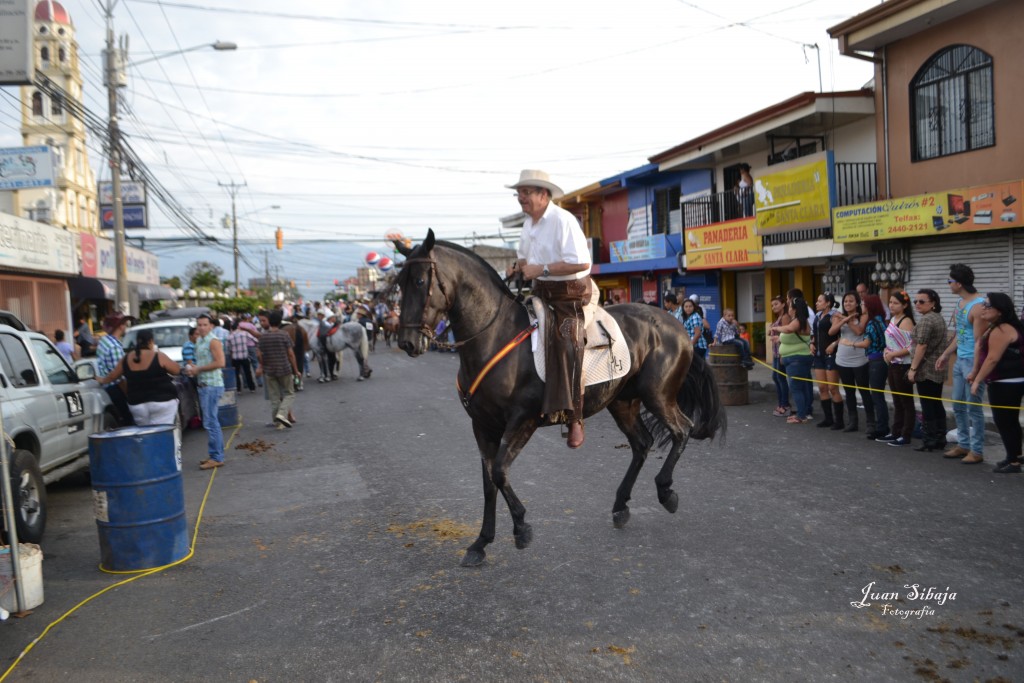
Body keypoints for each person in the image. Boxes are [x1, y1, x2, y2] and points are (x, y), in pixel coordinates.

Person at [504, 169, 592, 449]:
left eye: (526, 192)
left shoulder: (563, 220)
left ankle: (575, 417)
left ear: (543, 194)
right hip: (540, 291)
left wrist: (540, 268)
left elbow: (580, 263)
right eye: (519, 193)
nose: (521, 198)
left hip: (569, 294)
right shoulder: (528, 223)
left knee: (567, 341)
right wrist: (518, 266)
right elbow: (524, 257)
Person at [936, 264, 986, 464]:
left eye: (950, 281)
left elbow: (979, 341)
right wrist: (946, 354)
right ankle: (963, 444)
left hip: (973, 362)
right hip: (960, 360)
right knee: (957, 404)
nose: (948, 285)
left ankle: (977, 449)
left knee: (973, 407)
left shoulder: (979, 306)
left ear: (959, 283)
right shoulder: (960, 303)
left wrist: (975, 370)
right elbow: (960, 334)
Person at [968, 293, 1024, 473]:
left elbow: (992, 359)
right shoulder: (1001, 327)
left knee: (1005, 421)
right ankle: (1013, 455)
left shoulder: (1002, 329)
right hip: (1010, 380)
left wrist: (977, 380)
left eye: (987, 305)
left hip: (1006, 382)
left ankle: (1013, 460)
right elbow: (980, 347)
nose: (983, 308)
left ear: (999, 311)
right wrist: (975, 371)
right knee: (1010, 421)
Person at [99, 328, 180, 426]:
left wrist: (102, 380)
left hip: (137, 405)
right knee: (163, 433)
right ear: (151, 341)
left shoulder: (126, 358)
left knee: (145, 434)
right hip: (162, 402)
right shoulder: (158, 356)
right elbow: (176, 370)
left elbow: (113, 376)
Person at [843, 294, 890, 440]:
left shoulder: (871, 323)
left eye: (864, 304)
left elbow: (866, 343)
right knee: (877, 395)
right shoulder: (880, 320)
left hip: (876, 360)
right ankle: (881, 425)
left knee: (876, 396)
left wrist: (851, 343)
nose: (862, 306)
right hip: (881, 360)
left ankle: (882, 427)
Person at [907, 290, 948, 452]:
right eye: (915, 301)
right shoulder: (938, 318)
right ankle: (940, 437)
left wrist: (913, 369)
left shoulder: (926, 320)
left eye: (922, 301)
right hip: (938, 368)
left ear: (933, 303)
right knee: (936, 401)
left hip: (926, 369)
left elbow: (921, 346)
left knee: (927, 403)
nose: (917, 304)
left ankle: (929, 439)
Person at [184, 313, 226, 469]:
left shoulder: (213, 341)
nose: (201, 328)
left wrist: (199, 369)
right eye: (199, 325)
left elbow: (221, 362)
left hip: (212, 385)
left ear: (211, 326)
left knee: (210, 422)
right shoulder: (200, 340)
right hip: (203, 384)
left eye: (204, 325)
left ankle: (217, 457)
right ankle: (215, 454)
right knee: (210, 421)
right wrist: (194, 370)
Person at [831, 290, 874, 434]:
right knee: (849, 392)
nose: (847, 304)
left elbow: (859, 331)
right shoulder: (839, 316)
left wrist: (846, 319)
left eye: (850, 301)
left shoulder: (864, 316)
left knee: (864, 391)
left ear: (857, 302)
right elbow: (831, 332)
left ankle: (870, 422)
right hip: (842, 359)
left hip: (860, 360)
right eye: (845, 301)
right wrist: (843, 319)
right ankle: (852, 422)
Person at [879, 290, 916, 447]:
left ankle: (905, 434)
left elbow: (911, 347)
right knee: (896, 400)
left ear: (905, 305)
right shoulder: (893, 319)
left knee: (906, 401)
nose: (892, 305)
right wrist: (886, 352)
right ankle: (895, 431)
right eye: (891, 302)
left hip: (903, 364)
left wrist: (893, 354)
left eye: (896, 303)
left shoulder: (906, 321)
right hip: (892, 363)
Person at [256, 309, 300, 430]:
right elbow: (291, 354)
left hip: (270, 371)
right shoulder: (284, 335)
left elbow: (259, 354)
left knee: (274, 397)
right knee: (289, 393)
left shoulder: (263, 337)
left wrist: (262, 365)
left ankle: (278, 422)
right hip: (284, 369)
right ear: (280, 322)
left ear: (269, 322)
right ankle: (282, 413)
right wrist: (296, 370)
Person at [774, 296, 813, 423]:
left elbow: (788, 329)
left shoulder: (798, 321)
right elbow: (791, 337)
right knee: (801, 387)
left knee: (796, 388)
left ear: (795, 309)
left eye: (790, 307)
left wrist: (776, 328)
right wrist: (778, 339)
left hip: (797, 360)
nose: (788, 309)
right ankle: (804, 412)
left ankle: (801, 415)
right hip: (796, 359)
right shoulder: (798, 321)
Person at [810, 293, 843, 429]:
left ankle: (839, 421)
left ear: (828, 303)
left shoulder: (835, 316)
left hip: (831, 355)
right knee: (822, 388)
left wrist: (834, 344)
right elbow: (814, 333)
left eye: (819, 301)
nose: (817, 303)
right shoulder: (817, 316)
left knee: (833, 388)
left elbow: (842, 335)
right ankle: (828, 418)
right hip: (818, 355)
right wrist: (812, 343)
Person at [96, 312, 135, 426]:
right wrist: (129, 395)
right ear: (121, 326)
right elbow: (118, 376)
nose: (126, 326)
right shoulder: (115, 347)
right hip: (115, 389)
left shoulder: (104, 341)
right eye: (125, 323)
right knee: (128, 420)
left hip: (107, 388)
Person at [768, 296, 792, 417]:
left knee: (781, 378)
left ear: (783, 304)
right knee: (776, 377)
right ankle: (781, 403)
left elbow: (786, 334)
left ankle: (785, 405)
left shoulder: (785, 317)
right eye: (772, 305)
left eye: (776, 304)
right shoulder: (778, 317)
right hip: (776, 352)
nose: (774, 307)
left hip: (782, 352)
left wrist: (783, 354)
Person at [227, 321, 258, 392]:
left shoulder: (230, 337)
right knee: (248, 372)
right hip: (244, 356)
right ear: (238, 326)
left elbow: (228, 348)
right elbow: (255, 339)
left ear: (232, 328)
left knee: (236, 374)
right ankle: (252, 388)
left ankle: (239, 389)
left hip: (235, 358)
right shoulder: (245, 333)